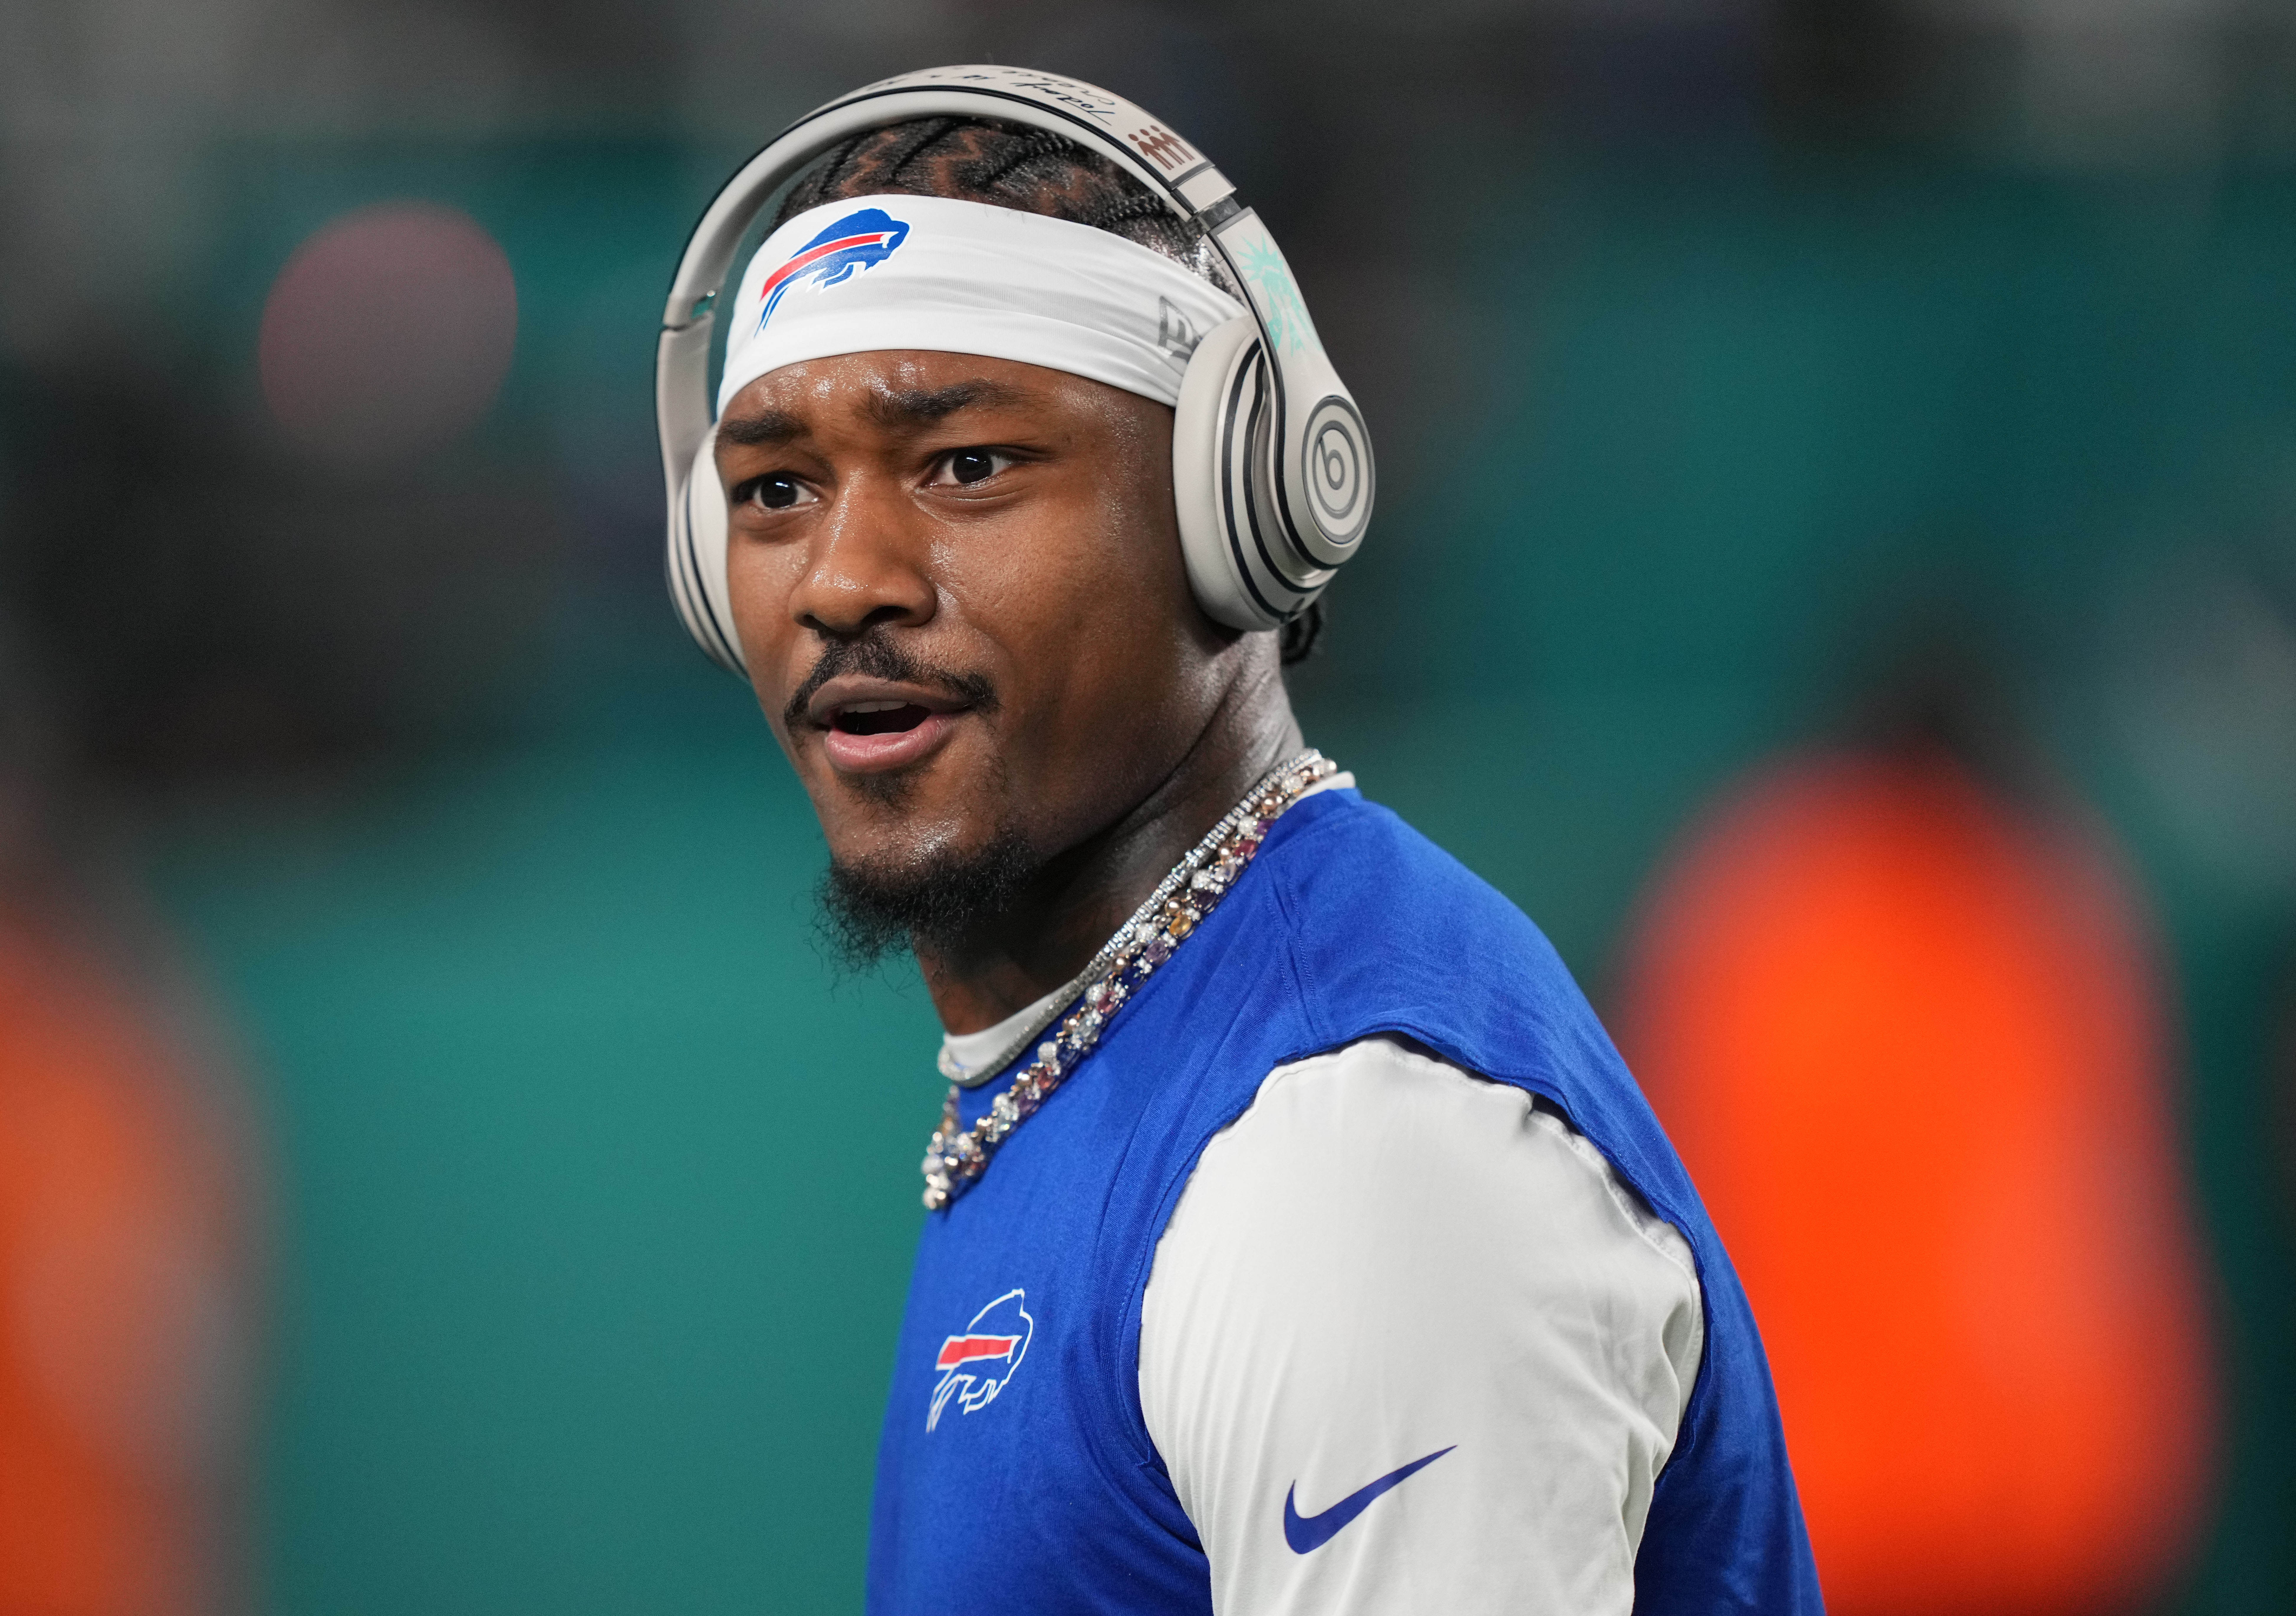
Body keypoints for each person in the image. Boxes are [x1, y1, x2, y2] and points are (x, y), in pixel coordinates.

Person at [661, 77, 1820, 1615]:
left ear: (1245, 505)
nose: (842, 579)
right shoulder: (1104, 1058)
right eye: (775, 492)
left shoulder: (1355, 1160)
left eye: (968, 466)